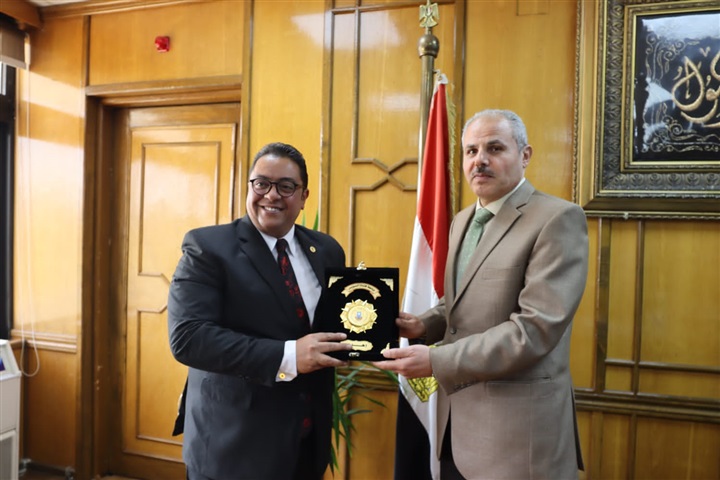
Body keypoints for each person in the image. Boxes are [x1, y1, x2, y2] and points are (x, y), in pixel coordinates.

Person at [375, 109, 588, 479]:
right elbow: (460, 303)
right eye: (471, 151)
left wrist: (436, 360)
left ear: (525, 155)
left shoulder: (557, 219)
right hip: (456, 429)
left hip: (518, 439)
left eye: (495, 148)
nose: (480, 160)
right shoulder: (462, 220)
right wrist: (422, 324)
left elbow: (533, 330)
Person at [168, 142, 352, 480]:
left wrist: (378, 328)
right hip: (233, 448)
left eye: (286, 186)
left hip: (306, 441)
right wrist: (289, 355)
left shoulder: (327, 250)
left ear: (304, 196)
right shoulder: (207, 248)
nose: (272, 195)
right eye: (262, 183)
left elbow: (335, 324)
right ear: (249, 186)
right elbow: (189, 338)